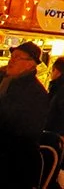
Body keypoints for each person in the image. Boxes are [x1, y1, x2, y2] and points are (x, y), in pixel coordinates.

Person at [0, 41, 49, 189]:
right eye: (12, 56)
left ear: (30, 64)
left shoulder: (36, 93)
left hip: (15, 166)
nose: (11, 60)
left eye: (18, 57)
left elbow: (26, 131)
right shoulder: (5, 83)